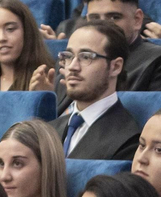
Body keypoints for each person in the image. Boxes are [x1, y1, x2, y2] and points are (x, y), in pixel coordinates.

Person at [50, 22, 140, 161]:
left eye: (86, 57)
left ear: (115, 67)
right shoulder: (50, 130)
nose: (73, 67)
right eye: (68, 56)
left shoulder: (129, 139)